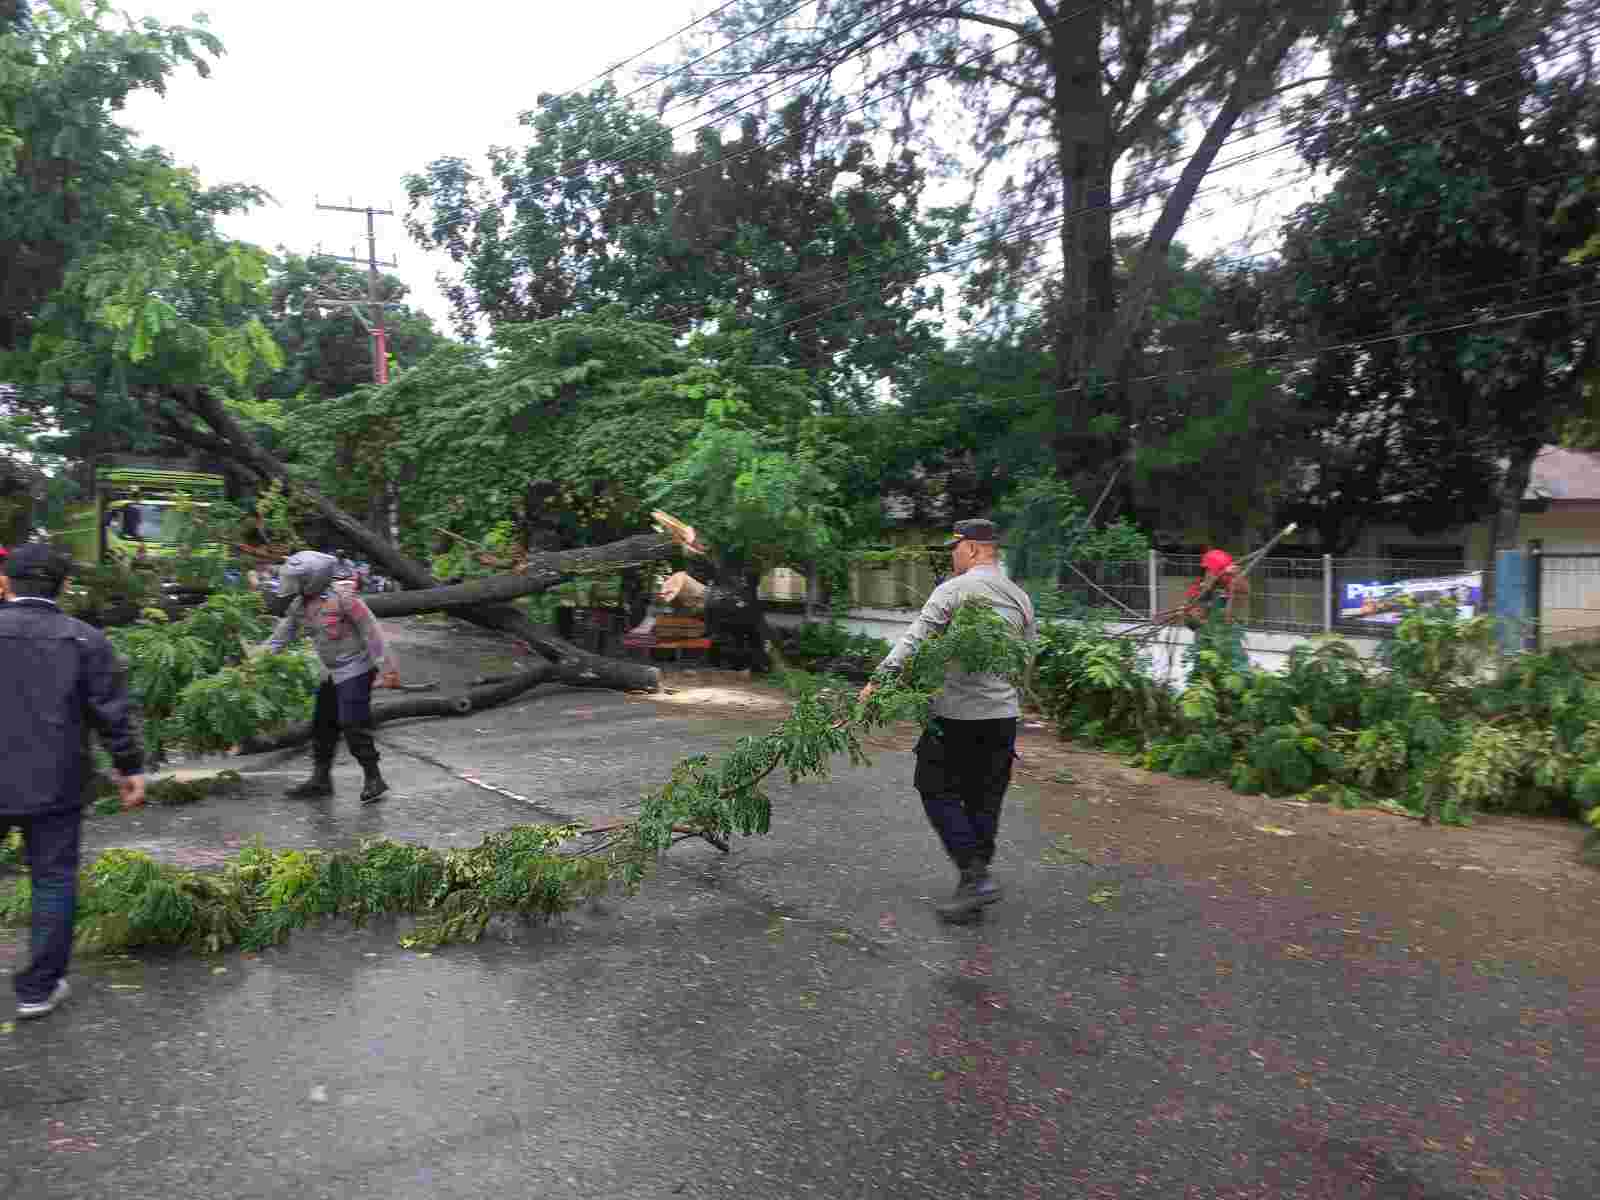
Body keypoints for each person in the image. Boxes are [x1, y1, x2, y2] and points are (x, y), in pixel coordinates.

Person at [858, 518, 1037, 923]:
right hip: (1002, 718)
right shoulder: (1021, 598)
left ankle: (974, 875)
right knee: (985, 797)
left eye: (954, 547)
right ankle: (974, 883)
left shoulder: (954, 591)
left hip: (956, 715)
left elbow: (913, 640)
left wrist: (877, 681)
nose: (951, 555)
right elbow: (1026, 660)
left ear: (972, 548)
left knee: (933, 784)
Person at [0, 544, 146, 1020]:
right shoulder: (85, 640)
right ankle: (37, 991)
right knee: (52, 880)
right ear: (64, 586)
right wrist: (129, 769)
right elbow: (112, 714)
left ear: (6, 581)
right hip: (56, 783)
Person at [264, 550, 401, 804]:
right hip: (329, 671)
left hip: (356, 668)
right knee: (322, 724)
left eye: (298, 579)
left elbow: (372, 632)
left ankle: (374, 777)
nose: (292, 585)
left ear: (312, 579)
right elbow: (281, 637)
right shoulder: (299, 605)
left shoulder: (344, 599)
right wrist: (255, 663)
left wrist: (388, 669)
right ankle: (320, 780)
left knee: (352, 723)